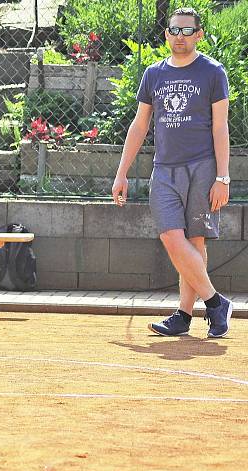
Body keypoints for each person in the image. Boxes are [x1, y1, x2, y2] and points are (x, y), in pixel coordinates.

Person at [112, 7, 232, 338]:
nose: (179, 36)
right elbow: (139, 125)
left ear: (199, 34)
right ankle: (215, 302)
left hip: (203, 167)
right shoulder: (153, 74)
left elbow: (221, 128)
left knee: (194, 240)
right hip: (163, 169)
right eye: (174, 30)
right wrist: (121, 173)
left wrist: (223, 177)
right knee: (171, 236)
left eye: (186, 31)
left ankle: (183, 314)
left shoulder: (213, 72)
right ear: (166, 34)